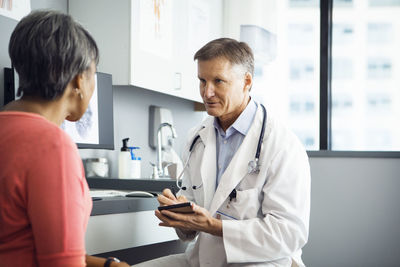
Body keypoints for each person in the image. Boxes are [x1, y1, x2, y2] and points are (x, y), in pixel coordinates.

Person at [137, 38, 311, 266]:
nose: (207, 92)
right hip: (202, 258)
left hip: (261, 262)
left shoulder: (282, 145)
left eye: (218, 81)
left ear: (246, 81)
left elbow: (288, 233)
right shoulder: (196, 138)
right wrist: (179, 216)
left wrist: (213, 226)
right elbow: (193, 223)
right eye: (202, 81)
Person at [0, 10, 129, 267]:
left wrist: (106, 264)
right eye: (94, 74)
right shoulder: (52, 145)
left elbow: (18, 242)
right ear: (79, 80)